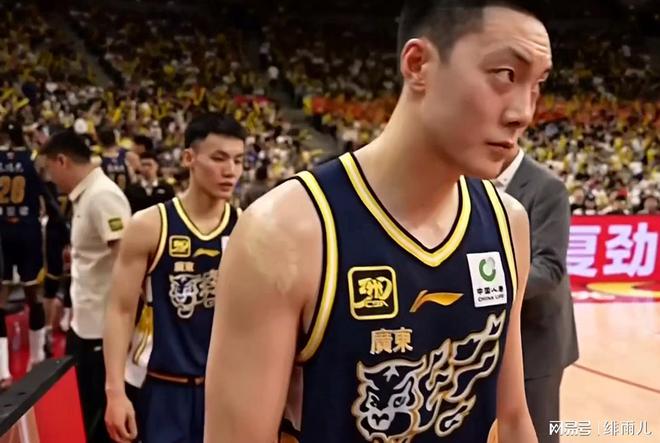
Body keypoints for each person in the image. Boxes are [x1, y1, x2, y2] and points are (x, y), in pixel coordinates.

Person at [205, 1, 551, 441]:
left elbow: (512, 417)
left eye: (537, 85)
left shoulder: (508, 223)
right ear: (418, 64)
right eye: (505, 75)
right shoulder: (285, 231)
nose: (524, 112)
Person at [103, 113, 246, 443]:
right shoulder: (149, 225)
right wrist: (115, 392)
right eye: (219, 158)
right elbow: (120, 310)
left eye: (238, 160)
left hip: (224, 388)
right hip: (161, 385)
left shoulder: (246, 226)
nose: (230, 170)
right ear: (188, 158)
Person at [40, 129, 132, 443]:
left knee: (100, 419)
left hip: (102, 331)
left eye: (50, 169)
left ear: (62, 161)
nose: (51, 179)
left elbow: (126, 264)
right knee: (86, 411)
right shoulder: (86, 196)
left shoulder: (102, 196)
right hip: (86, 324)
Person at [494, 146, 579, 443]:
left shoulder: (547, 187)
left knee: (537, 432)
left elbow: (549, 267)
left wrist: (488, 290)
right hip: (491, 339)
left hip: (535, 340)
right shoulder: (471, 182)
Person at [0, 120, 57, 388]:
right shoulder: (34, 160)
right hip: (28, 230)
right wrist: (37, 135)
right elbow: (51, 155)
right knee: (33, 294)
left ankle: (3, 371)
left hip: (2, 231)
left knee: (0, 299)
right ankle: (36, 360)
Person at [97, 127, 135, 191]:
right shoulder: (125, 159)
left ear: (100, 142)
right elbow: (133, 178)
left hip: (107, 193)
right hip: (124, 194)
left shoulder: (98, 161)